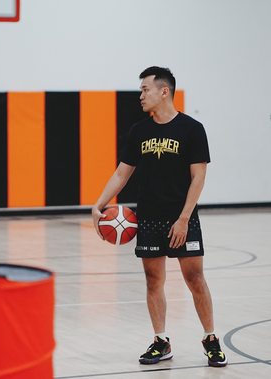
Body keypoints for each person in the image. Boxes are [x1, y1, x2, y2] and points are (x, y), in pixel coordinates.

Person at [91, 66, 227, 368]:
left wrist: (184, 218)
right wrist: (99, 203)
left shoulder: (192, 129)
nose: (141, 95)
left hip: (183, 218)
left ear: (164, 91)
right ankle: (161, 341)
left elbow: (199, 177)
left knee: (195, 279)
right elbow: (121, 173)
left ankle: (211, 339)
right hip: (149, 218)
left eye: (145, 89)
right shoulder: (139, 131)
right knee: (154, 280)